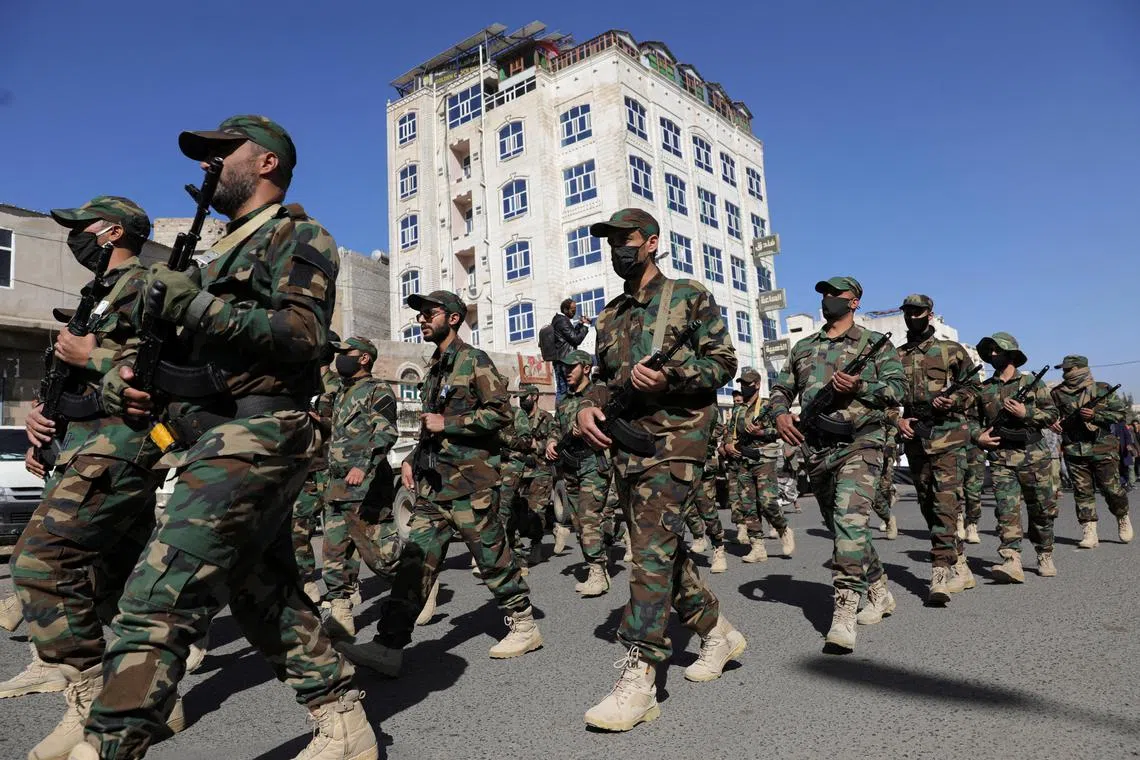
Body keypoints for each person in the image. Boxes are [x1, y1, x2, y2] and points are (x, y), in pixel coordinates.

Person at [85, 115, 377, 760]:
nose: (207, 165)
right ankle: (343, 720)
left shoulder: (296, 235)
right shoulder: (217, 253)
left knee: (159, 597)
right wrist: (127, 382)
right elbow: (188, 358)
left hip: (261, 427)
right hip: (209, 432)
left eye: (223, 152)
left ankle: (106, 745)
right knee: (260, 590)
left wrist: (192, 305)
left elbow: (303, 334)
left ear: (266, 162)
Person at [9, 197, 192, 757]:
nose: (76, 238)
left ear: (112, 232)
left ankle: (90, 702)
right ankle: (154, 699)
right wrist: (46, 419)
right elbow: (77, 376)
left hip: (123, 444)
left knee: (40, 562)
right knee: (113, 583)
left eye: (81, 229)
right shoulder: (97, 294)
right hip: (87, 442)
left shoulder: (148, 285)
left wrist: (93, 359)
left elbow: (161, 373)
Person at [575, 208, 745, 732]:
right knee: (660, 551)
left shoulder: (688, 296)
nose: (617, 249)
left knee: (646, 552)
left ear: (651, 243)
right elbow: (603, 382)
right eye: (611, 242)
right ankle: (716, 633)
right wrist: (584, 407)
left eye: (626, 240)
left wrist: (669, 375)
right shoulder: (609, 316)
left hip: (676, 441)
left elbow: (723, 363)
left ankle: (641, 675)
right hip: (628, 447)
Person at [338, 290, 542, 677]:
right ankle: (388, 646)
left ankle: (524, 625)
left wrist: (449, 424)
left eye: (429, 313)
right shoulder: (435, 367)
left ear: (452, 318)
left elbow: (500, 415)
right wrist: (414, 457)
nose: (422, 319)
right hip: (434, 486)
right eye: (420, 314)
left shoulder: (473, 361)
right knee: (414, 564)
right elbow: (431, 426)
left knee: (491, 558)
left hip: (470, 483)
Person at [769, 276, 905, 652]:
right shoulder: (804, 347)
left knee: (849, 521)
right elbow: (780, 389)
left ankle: (844, 612)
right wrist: (780, 413)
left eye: (835, 295)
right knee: (844, 528)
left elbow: (898, 390)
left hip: (862, 443)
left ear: (854, 302)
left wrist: (859, 387)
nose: (827, 300)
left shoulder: (874, 344)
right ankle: (879, 589)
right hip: (818, 449)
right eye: (824, 294)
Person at [890, 294, 977, 603]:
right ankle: (961, 563)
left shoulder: (950, 351)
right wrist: (896, 420)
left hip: (949, 436)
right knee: (928, 503)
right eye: (908, 311)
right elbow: (885, 397)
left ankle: (939, 571)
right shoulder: (895, 356)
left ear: (930, 314)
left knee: (945, 503)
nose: (912, 316)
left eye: (918, 311)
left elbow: (972, 387)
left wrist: (954, 400)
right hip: (915, 437)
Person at [321, 336, 400, 639]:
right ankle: (340, 612)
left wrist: (362, 464)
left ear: (364, 358)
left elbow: (385, 433)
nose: (341, 358)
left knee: (381, 556)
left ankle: (416, 585)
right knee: (334, 553)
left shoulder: (378, 390)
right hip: (337, 486)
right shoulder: (341, 393)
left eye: (347, 354)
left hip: (365, 485)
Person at [974, 333, 1059, 581]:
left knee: (1042, 510)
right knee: (1006, 510)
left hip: (1034, 456)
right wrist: (978, 436)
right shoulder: (985, 389)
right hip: (1001, 457)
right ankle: (1011, 558)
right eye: (988, 351)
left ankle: (1044, 552)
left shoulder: (1032, 382)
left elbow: (1052, 414)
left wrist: (1026, 412)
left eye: (996, 350)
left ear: (1010, 353)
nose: (991, 355)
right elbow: (972, 422)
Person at [546, 349, 612, 596]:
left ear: (586, 368)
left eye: (571, 367)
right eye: (564, 368)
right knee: (578, 521)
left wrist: (584, 429)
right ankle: (595, 564)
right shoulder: (563, 403)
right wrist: (552, 442)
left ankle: (598, 571)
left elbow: (607, 423)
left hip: (594, 463)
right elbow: (555, 427)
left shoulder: (599, 394)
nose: (566, 372)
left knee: (588, 516)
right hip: (570, 467)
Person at [1048, 355, 1132, 547]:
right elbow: (1048, 414)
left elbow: (1120, 414)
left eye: (1069, 370)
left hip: (1103, 448)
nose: (1065, 373)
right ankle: (1089, 532)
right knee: (1082, 492)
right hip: (1074, 450)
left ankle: (1122, 516)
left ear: (1080, 369)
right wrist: (1052, 423)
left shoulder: (1102, 389)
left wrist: (1096, 415)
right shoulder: (1058, 393)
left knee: (1112, 490)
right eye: (1064, 370)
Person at [292, 333, 343, 603]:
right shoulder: (300, 383)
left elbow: (349, 429)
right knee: (297, 529)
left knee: (340, 533)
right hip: (306, 468)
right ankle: (307, 581)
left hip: (332, 468)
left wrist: (322, 421)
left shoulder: (339, 386)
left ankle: (347, 584)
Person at [728, 369, 795, 563]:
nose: (743, 387)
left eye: (747, 384)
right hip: (743, 460)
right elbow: (730, 431)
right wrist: (727, 444)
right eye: (741, 384)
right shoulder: (738, 409)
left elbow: (781, 431)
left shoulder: (767, 405)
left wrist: (761, 432)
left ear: (757, 384)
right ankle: (757, 547)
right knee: (748, 505)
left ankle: (783, 529)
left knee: (768, 502)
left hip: (764, 459)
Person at [685, 414, 729, 573]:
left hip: (703, 464)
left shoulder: (703, 407)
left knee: (707, 509)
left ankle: (718, 548)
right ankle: (695, 539)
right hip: (680, 465)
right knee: (681, 509)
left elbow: (719, 427)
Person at [518, 383, 555, 567]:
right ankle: (555, 529)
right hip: (521, 472)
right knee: (520, 511)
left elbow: (554, 444)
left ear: (535, 396)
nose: (521, 401)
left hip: (541, 471)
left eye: (525, 397)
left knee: (537, 510)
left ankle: (536, 547)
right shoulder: (519, 419)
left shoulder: (546, 418)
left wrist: (536, 446)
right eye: (519, 398)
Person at [722, 390, 749, 543]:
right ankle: (741, 528)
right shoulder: (730, 420)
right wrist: (726, 446)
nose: (736, 400)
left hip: (746, 461)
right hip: (733, 463)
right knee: (734, 497)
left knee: (753, 497)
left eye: (739, 398)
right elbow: (725, 438)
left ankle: (771, 524)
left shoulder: (749, 416)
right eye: (734, 399)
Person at [551, 298, 591, 401]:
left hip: (561, 359)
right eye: (573, 310)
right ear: (565, 309)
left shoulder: (559, 320)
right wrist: (585, 326)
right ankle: (563, 413)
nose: (574, 313)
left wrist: (580, 325)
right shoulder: (562, 321)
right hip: (565, 360)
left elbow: (570, 336)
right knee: (564, 391)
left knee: (563, 389)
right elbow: (576, 339)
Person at [872, 425, 899, 539]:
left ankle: (887, 517)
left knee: (884, 487)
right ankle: (887, 517)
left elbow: (893, 425)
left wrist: (889, 445)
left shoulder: (885, 408)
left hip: (884, 451)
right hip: (862, 450)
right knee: (871, 488)